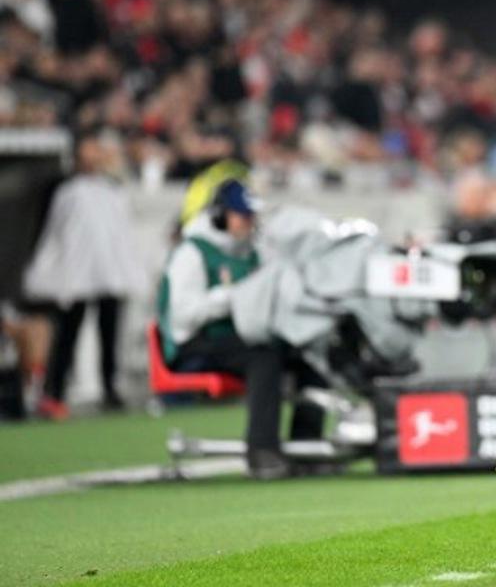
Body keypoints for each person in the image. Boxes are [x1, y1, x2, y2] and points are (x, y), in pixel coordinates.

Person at [157, 180, 325, 479]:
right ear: (220, 215)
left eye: (251, 215)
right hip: (195, 343)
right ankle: (262, 450)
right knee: (263, 355)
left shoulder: (253, 252)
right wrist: (232, 298)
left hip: (240, 336)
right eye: (241, 215)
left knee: (310, 352)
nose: (249, 221)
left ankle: (308, 446)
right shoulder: (193, 252)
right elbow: (183, 315)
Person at [23, 129, 142, 419]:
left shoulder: (112, 191)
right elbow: (55, 235)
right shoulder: (66, 192)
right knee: (68, 335)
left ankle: (109, 388)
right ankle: (55, 391)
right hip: (76, 276)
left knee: (109, 335)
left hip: (108, 274)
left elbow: (120, 236)